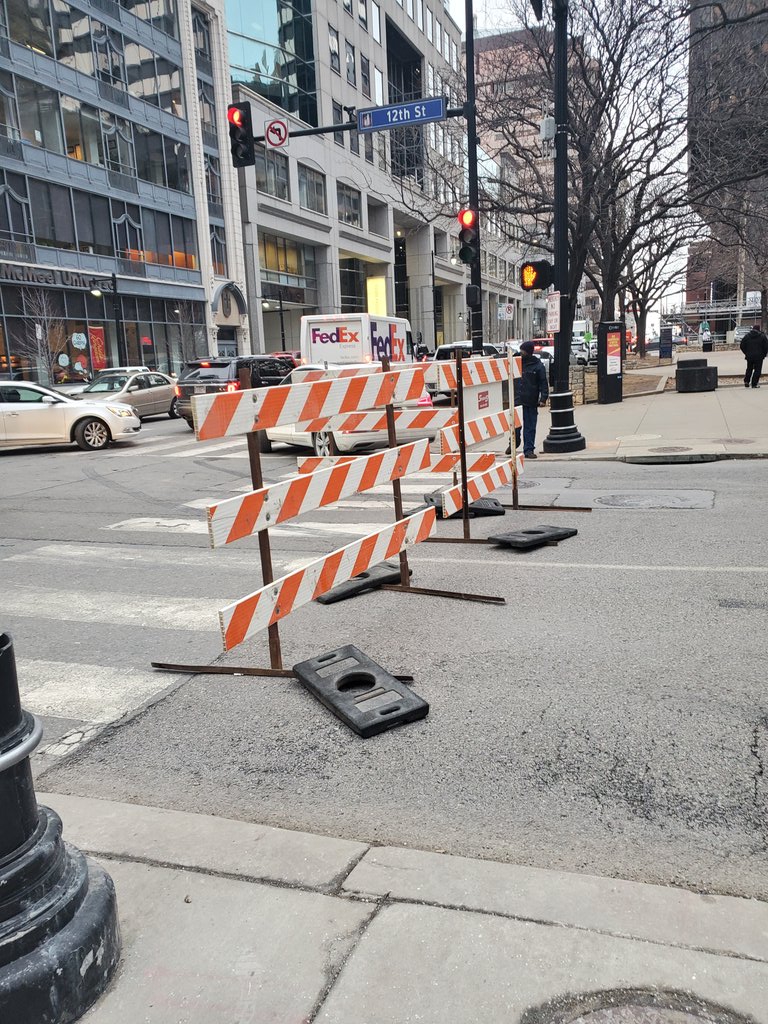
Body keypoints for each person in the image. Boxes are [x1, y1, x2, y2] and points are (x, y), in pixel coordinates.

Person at [514, 339, 549, 458]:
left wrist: (543, 398)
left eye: (523, 351)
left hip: (530, 400)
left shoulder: (538, 366)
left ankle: (528, 449)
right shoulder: (516, 361)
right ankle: (514, 442)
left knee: (530, 426)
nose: (521, 353)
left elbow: (543, 382)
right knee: (515, 425)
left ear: (528, 352)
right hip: (517, 400)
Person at [739, 323, 768, 389]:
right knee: (757, 370)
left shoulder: (747, 336)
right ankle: (754, 383)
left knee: (749, 368)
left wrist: (746, 352)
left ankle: (746, 381)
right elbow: (766, 347)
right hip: (759, 356)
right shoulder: (762, 336)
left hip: (749, 356)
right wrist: (764, 354)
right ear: (759, 329)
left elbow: (742, 345)